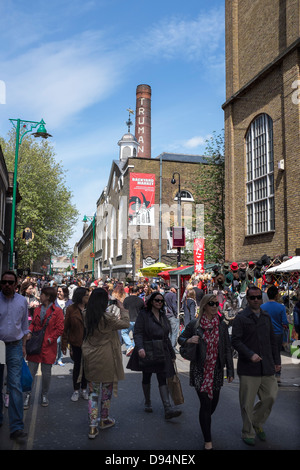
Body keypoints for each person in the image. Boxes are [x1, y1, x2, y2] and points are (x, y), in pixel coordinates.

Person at [178, 294, 234, 450]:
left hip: (216, 370)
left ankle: (204, 421)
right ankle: (207, 440)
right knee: (205, 404)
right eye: (212, 303)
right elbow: (180, 339)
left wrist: (230, 369)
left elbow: (227, 349)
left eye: (217, 303)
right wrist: (189, 340)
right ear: (204, 306)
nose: (215, 306)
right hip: (199, 369)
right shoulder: (195, 325)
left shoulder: (222, 326)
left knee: (212, 404)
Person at [231, 285, 281, 446]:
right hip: (248, 368)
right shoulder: (241, 318)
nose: (256, 300)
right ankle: (248, 432)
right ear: (247, 299)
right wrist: (249, 354)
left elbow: (273, 341)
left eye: (258, 297)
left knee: (271, 397)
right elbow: (235, 341)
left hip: (266, 365)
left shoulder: (266, 317)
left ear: (262, 298)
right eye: (252, 297)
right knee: (247, 402)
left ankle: (256, 421)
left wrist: (277, 361)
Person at [81, 288, 129, 439]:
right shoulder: (108, 317)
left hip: (90, 355)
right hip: (107, 357)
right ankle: (104, 419)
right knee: (106, 393)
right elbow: (125, 324)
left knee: (93, 393)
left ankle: (92, 426)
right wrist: (123, 309)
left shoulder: (85, 315)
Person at [127, 292, 182, 420]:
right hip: (148, 349)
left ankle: (167, 408)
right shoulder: (144, 314)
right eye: (157, 300)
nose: (159, 303)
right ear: (151, 301)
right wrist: (140, 347)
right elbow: (138, 332)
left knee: (162, 377)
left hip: (162, 350)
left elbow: (166, 336)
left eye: (161, 301)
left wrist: (172, 352)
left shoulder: (163, 316)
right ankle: (147, 401)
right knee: (147, 376)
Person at [0, 271, 29, 442]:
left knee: (15, 386)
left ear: (16, 285)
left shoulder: (22, 301)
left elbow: (25, 325)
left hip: (15, 346)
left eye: (10, 283)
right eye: (4, 282)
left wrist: (24, 345)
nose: (7, 285)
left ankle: (16, 428)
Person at [24, 287, 64, 409]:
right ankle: (27, 395)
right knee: (31, 372)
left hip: (48, 346)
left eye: (42, 294)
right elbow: (33, 324)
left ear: (48, 296)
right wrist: (29, 332)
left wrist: (51, 338)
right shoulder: (37, 309)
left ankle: (44, 394)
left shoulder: (57, 311)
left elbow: (60, 328)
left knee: (46, 373)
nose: (40, 296)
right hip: (35, 344)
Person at [61, 287, 89, 401]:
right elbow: (65, 328)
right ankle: (76, 390)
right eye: (86, 295)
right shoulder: (70, 309)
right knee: (77, 366)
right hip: (76, 343)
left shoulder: (90, 308)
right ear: (80, 296)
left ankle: (84, 389)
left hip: (89, 343)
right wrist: (64, 344)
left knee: (87, 367)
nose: (88, 297)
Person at [261, 285, 289, 383]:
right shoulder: (281, 307)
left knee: (267, 353)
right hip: (278, 334)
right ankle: (277, 375)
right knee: (277, 353)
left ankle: (268, 373)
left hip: (266, 334)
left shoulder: (262, 307)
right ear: (277, 295)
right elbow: (285, 322)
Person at [122, 285, 144, 356]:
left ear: (131, 291)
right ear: (137, 291)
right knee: (136, 335)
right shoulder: (140, 300)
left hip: (128, 319)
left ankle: (129, 346)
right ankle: (133, 347)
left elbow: (124, 309)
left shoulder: (126, 299)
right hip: (137, 320)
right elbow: (143, 311)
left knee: (124, 333)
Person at [55, 286, 73, 366]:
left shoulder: (70, 302)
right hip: (56, 326)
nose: (58, 293)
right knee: (57, 342)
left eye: (60, 291)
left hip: (67, 326)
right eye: (58, 291)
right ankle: (54, 358)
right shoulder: (54, 301)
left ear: (65, 293)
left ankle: (59, 359)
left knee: (62, 342)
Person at [164, 286, 179, 352]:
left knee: (169, 332)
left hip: (166, 315)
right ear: (171, 289)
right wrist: (176, 314)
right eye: (175, 289)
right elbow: (174, 305)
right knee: (174, 332)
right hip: (172, 315)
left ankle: (168, 347)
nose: (176, 290)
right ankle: (172, 348)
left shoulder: (165, 295)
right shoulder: (173, 295)